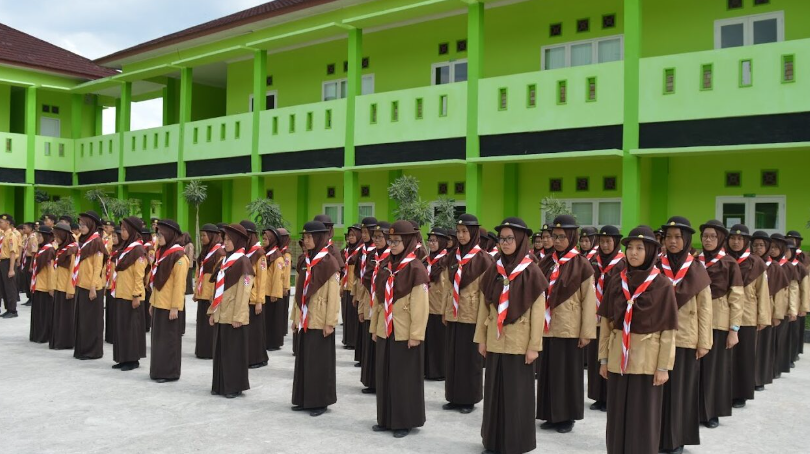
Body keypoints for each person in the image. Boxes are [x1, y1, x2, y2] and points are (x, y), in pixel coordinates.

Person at [599, 225, 679, 454]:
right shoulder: (617, 280)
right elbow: (606, 323)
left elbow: (668, 330)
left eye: (639, 248)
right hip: (618, 360)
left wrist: (664, 367)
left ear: (651, 251)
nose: (633, 253)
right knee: (617, 417)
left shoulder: (662, 284)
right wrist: (603, 359)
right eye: (630, 248)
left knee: (643, 418)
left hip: (647, 362)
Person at [477, 217, 547, 454]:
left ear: (520, 241)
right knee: (494, 393)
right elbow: (484, 306)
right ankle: (493, 441)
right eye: (501, 239)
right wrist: (482, 339)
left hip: (520, 344)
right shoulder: (493, 270)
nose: (505, 243)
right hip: (495, 340)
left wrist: (534, 346)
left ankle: (516, 442)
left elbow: (538, 314)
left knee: (517, 396)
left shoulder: (532, 272)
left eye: (509, 239)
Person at [536, 215, 596, 434]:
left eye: (562, 236)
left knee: (567, 373)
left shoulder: (582, 264)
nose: (558, 240)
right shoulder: (546, 261)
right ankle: (550, 413)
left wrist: (586, 332)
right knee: (548, 371)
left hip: (569, 327)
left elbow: (589, 301)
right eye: (554, 236)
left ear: (572, 237)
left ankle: (566, 417)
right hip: (546, 326)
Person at [370, 220, 430, 438]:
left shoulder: (416, 268)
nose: (392, 245)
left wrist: (416, 335)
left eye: (397, 241)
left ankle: (404, 420)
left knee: (403, 378)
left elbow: (420, 306)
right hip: (386, 330)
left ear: (408, 242)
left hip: (405, 333)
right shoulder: (387, 265)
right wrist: (375, 328)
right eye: (391, 240)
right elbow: (378, 300)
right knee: (385, 374)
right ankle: (386, 418)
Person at [658, 216, 712, 454]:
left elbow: (705, 309)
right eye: (668, 237)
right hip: (657, 340)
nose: (672, 241)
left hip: (686, 339)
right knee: (659, 392)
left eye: (677, 237)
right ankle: (657, 436)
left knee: (681, 391)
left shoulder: (697, 269)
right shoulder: (656, 265)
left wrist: (704, 342)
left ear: (687, 239)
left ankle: (677, 439)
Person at [444, 214, 494, 414]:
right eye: (458, 231)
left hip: (472, 314)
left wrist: (484, 319)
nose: (461, 235)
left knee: (469, 359)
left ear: (473, 233)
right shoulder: (453, 256)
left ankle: (469, 398)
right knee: (453, 357)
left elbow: (486, 292)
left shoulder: (483, 259)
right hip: (453, 312)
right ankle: (454, 396)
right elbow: (448, 285)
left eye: (465, 231)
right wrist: (444, 310)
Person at [290, 221, 341, 416]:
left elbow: (333, 297)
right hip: (305, 318)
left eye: (310, 237)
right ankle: (304, 398)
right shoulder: (304, 261)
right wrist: (295, 317)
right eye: (305, 237)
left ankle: (319, 401)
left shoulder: (329, 263)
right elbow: (299, 293)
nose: (306, 240)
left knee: (319, 362)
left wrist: (330, 322)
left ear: (319, 238)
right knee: (304, 360)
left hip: (320, 321)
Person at [697, 220, 743, 429]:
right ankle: (694, 410)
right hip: (695, 322)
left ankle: (711, 413)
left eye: (712, 236)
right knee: (696, 370)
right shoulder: (694, 260)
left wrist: (734, 329)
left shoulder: (729, 263)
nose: (708, 240)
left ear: (720, 239)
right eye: (705, 236)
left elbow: (737, 298)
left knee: (714, 370)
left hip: (719, 324)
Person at [726, 225, 770, 408]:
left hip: (747, 316)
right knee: (725, 358)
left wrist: (763, 317)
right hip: (724, 315)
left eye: (740, 239)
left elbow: (763, 291)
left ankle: (740, 394)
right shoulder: (723, 260)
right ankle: (724, 391)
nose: (736, 242)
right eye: (733, 238)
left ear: (746, 242)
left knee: (743, 357)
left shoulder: (756, 262)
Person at [208, 223, 254, 398]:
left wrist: (239, 316)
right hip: (221, 313)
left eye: (228, 240)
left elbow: (244, 293)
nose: (225, 243)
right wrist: (213, 311)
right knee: (221, 351)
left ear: (237, 241)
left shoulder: (243, 262)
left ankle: (233, 386)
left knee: (233, 352)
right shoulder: (225, 260)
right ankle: (220, 384)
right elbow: (217, 289)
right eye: (224, 239)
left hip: (233, 316)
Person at [587, 225, 625, 412]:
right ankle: (598, 396)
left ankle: (609, 396)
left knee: (610, 352)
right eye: (602, 241)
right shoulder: (594, 260)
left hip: (612, 312)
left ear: (616, 242)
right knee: (596, 353)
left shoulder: (622, 262)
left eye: (609, 241)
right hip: (594, 312)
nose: (606, 244)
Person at [149, 219, 190, 383]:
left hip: (169, 307)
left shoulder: (179, 257)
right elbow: (157, 281)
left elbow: (179, 286)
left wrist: (175, 307)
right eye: (157, 234)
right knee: (158, 341)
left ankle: (169, 372)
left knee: (169, 341)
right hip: (159, 304)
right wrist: (152, 301)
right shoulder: (163, 254)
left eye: (160, 234)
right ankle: (158, 370)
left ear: (169, 234)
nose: (158, 237)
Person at [112, 217, 148, 372]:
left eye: (125, 229)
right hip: (121, 293)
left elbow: (139, 275)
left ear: (133, 231)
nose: (123, 232)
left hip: (131, 296)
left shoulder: (138, 250)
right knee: (121, 328)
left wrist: (136, 295)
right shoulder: (125, 247)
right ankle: (122, 358)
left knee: (131, 328)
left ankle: (132, 359)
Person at [360, 221, 391, 394]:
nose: (376, 240)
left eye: (380, 237)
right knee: (370, 344)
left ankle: (380, 382)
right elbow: (364, 277)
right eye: (375, 237)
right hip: (369, 303)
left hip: (382, 306)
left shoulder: (390, 257)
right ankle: (371, 381)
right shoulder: (372, 254)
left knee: (380, 345)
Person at [73, 211, 106, 360]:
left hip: (92, 288)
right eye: (80, 225)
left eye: (84, 225)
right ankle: (82, 349)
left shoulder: (96, 242)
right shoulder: (82, 240)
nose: (81, 227)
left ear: (91, 225)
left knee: (92, 322)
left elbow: (98, 267)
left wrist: (93, 286)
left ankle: (92, 351)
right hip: (81, 285)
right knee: (82, 321)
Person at [194, 224, 225, 359]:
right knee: (201, 323)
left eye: (204, 235)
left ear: (212, 236)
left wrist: (214, 294)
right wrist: (196, 292)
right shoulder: (205, 251)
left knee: (209, 324)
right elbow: (198, 272)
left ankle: (210, 351)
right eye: (201, 235)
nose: (202, 238)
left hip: (210, 294)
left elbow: (219, 275)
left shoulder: (219, 252)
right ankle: (201, 350)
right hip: (202, 292)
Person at [239, 221, 267, 369]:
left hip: (254, 298)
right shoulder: (244, 252)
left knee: (255, 331)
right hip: (244, 297)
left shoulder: (259, 254)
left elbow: (262, 279)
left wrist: (259, 301)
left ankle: (258, 358)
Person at [424, 227, 451, 381]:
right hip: (426, 305)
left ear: (442, 242)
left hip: (440, 305)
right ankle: (428, 369)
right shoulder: (426, 260)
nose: (432, 244)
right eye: (430, 240)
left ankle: (439, 371)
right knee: (428, 339)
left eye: (435, 241)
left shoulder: (446, 260)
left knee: (439, 341)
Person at [353, 217, 377, 368]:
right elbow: (357, 274)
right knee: (363, 326)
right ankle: (362, 358)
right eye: (362, 231)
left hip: (372, 294)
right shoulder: (362, 250)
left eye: (367, 231)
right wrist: (356, 294)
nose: (364, 234)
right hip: (362, 291)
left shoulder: (377, 251)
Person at [51, 224, 77, 350]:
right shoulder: (61, 249)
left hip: (66, 288)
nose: (55, 239)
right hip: (58, 286)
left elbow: (73, 270)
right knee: (58, 316)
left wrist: (70, 289)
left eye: (57, 236)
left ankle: (66, 342)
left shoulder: (71, 250)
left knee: (66, 317)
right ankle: (58, 340)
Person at [29, 225, 56, 343]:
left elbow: (51, 271)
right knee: (37, 312)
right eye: (37, 235)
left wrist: (51, 287)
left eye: (40, 235)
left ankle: (44, 335)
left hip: (45, 286)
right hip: (38, 285)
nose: (38, 238)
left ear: (45, 236)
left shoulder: (49, 250)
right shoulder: (42, 249)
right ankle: (37, 334)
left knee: (44, 312)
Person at [263, 226, 286, 351]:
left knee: (273, 320)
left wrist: (275, 293)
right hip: (265, 291)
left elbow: (278, 277)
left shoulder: (277, 257)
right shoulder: (266, 254)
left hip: (272, 293)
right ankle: (267, 341)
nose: (263, 241)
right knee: (267, 319)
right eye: (263, 239)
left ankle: (274, 342)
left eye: (266, 239)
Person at [341, 224, 362, 350]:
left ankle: (354, 341)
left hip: (354, 286)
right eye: (349, 235)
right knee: (346, 314)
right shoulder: (347, 250)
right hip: (345, 285)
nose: (351, 238)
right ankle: (347, 339)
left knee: (354, 315)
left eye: (354, 235)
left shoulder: (360, 250)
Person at [0, 214, 20, 318]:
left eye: (1, 222)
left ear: (7, 223)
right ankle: (8, 308)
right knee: (3, 287)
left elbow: (12, 253)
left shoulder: (12, 236)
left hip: (8, 262)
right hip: (2, 262)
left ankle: (13, 310)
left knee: (10, 286)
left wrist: (11, 269)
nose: (0, 224)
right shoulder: (3, 235)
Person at [104, 227, 121, 344]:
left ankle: (116, 336)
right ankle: (109, 336)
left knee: (116, 312)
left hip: (118, 286)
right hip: (110, 285)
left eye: (115, 237)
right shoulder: (112, 250)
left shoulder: (122, 251)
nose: (113, 239)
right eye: (112, 236)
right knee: (109, 311)